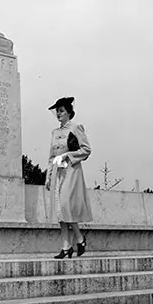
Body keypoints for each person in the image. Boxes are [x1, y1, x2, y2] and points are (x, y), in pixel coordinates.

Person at [45, 96, 92, 258]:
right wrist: (48, 176)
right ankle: (66, 247)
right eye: (57, 111)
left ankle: (79, 237)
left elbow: (86, 150)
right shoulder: (55, 132)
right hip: (58, 173)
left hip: (71, 172)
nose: (59, 114)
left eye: (62, 111)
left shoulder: (76, 128)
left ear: (69, 113)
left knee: (66, 205)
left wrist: (68, 156)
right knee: (59, 209)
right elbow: (52, 156)